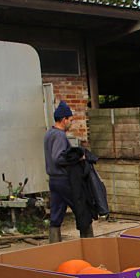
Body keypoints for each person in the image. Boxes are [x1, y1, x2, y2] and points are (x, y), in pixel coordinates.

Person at [44, 101, 93, 242]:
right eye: (70, 120)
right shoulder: (59, 136)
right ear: (64, 119)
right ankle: (89, 244)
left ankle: (54, 247)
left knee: (56, 215)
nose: (71, 124)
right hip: (64, 180)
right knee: (82, 209)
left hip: (53, 180)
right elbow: (58, 157)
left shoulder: (49, 134)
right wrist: (77, 158)